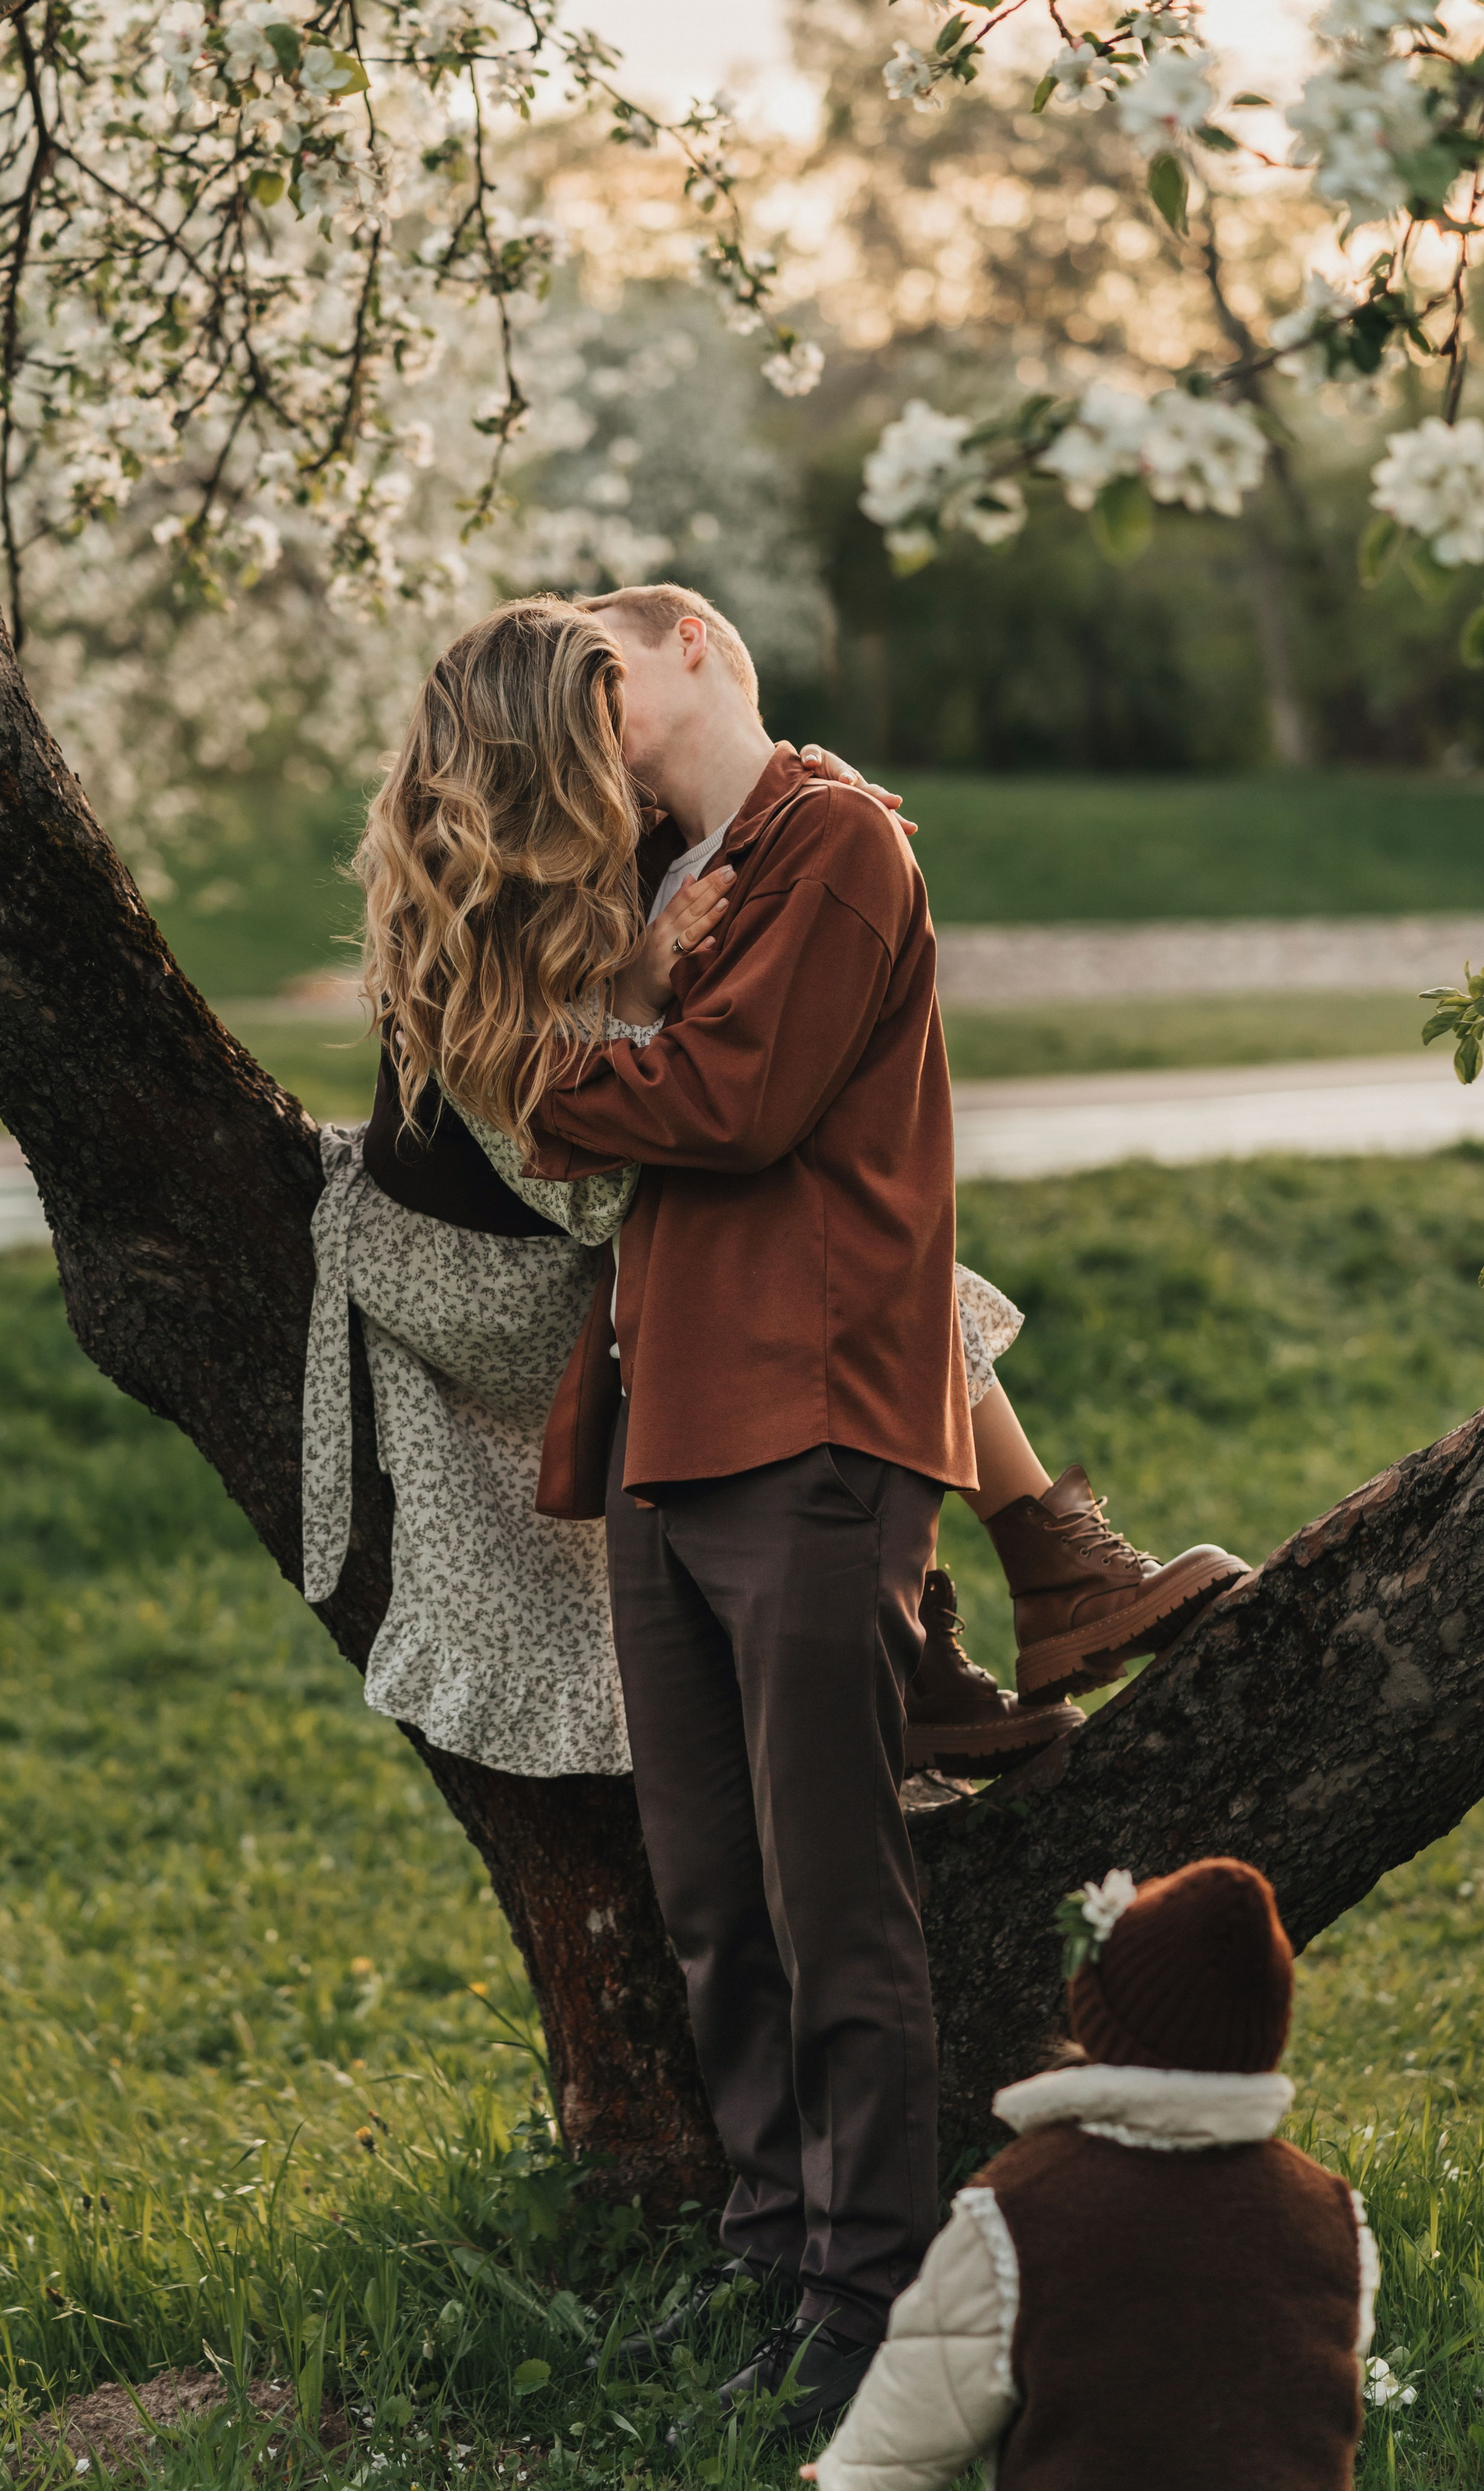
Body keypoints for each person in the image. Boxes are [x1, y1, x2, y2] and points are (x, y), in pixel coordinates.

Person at [513, 584, 1247, 2438]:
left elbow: (740, 1102)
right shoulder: (668, 884)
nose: (583, 712)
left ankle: (870, 2309)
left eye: (603, 668)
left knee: (833, 1896)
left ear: (697, 647)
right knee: (713, 1899)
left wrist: (553, 1073)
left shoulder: (829, 840)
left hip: (815, 1426)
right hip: (665, 1441)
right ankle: (772, 2269)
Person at [803, 1858, 1378, 2490]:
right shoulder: (1330, 2214)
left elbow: (917, 2417)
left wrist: (852, 2473)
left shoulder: (1020, 2205)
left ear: (1097, 2017)